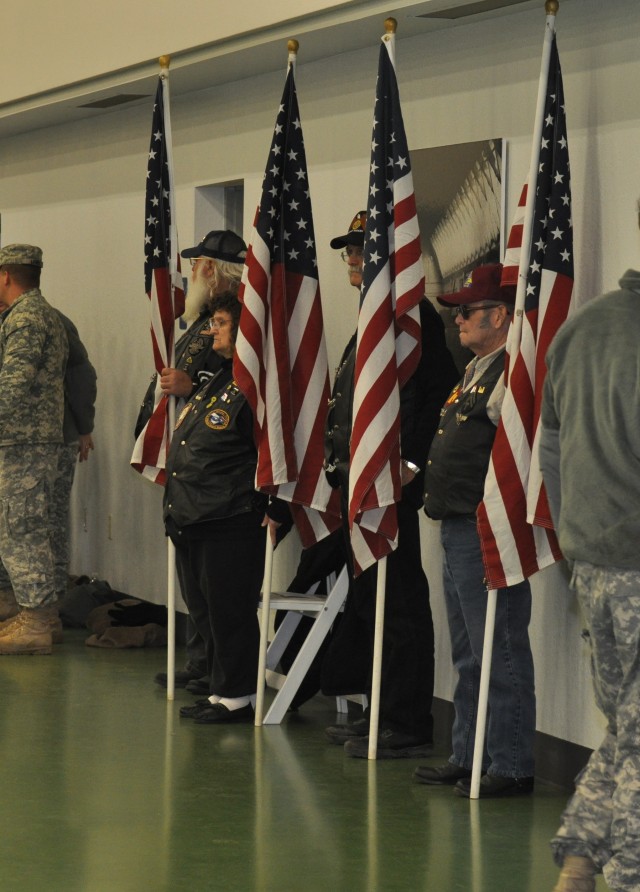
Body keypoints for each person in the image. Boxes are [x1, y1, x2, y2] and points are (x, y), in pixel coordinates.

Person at [322, 211, 459, 759]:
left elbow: (437, 395)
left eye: (360, 247)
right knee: (370, 604)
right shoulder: (374, 317)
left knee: (399, 606)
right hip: (363, 487)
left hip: (391, 489)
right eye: (349, 249)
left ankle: (406, 721)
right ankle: (379, 711)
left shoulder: (411, 317)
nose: (353, 258)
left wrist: (408, 468)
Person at [415, 263, 536, 797]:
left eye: (466, 312)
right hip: (457, 525)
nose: (457, 320)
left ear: (500, 316)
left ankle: (510, 764)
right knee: (467, 650)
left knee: (499, 648)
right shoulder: (475, 369)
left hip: (487, 528)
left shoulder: (510, 373)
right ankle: (468, 753)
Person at [540, 261, 640, 891]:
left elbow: (550, 448)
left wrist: (572, 540)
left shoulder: (582, 329)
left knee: (631, 727)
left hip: (593, 567)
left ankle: (578, 862)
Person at [163, 291, 283, 724]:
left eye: (220, 323)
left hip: (229, 514)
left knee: (229, 608)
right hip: (193, 514)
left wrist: (274, 504)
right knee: (205, 610)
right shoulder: (218, 377)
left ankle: (237, 695)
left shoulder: (258, 386)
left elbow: (272, 449)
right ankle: (220, 690)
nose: (212, 330)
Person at [140, 229, 248, 692]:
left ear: (210, 270)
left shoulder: (240, 321)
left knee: (217, 588)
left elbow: (234, 382)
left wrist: (191, 384)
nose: (188, 272)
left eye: (195, 264)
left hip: (220, 479)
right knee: (195, 581)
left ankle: (216, 669)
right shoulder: (203, 319)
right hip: (192, 469)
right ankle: (203, 659)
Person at [0, 243, 68, 654]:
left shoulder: (26, 318)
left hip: (24, 440)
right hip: (29, 439)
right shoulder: (42, 314)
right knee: (34, 529)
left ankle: (37, 623)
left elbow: (11, 387)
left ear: (5, 276)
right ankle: (42, 617)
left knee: (21, 530)